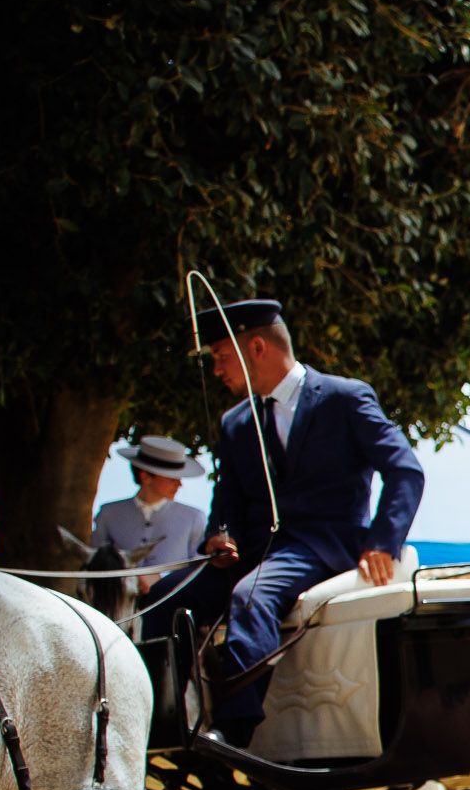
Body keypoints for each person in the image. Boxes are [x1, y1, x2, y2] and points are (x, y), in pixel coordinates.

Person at [151, 298, 424, 734]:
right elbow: (228, 498)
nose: (217, 370)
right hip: (255, 552)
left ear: (256, 347)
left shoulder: (345, 398)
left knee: (250, 596)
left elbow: (405, 470)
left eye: (222, 357)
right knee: (164, 598)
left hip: (322, 548)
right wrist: (220, 536)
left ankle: (234, 733)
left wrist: (382, 542)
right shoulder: (236, 421)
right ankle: (160, 724)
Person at [91, 436, 209, 597]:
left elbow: (200, 569)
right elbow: (95, 565)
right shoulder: (108, 513)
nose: (179, 484)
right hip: (117, 607)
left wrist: (162, 578)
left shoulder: (194, 517)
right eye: (171, 478)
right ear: (145, 477)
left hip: (170, 607)